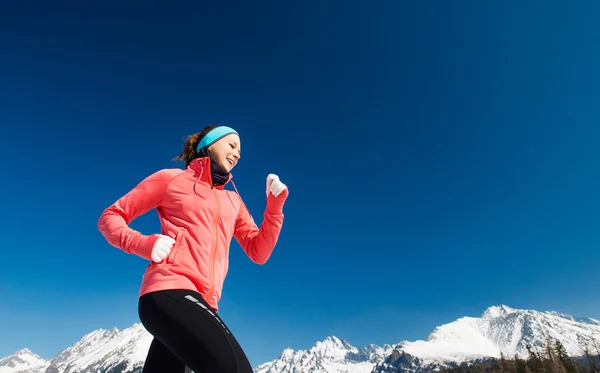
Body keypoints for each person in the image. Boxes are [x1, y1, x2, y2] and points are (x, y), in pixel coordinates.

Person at [97, 125, 289, 373]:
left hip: (201, 304)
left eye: (240, 151)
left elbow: (258, 251)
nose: (238, 154)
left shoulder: (233, 201)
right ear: (209, 145)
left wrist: (274, 208)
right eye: (232, 145)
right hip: (169, 290)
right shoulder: (171, 179)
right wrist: (143, 243)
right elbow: (110, 217)